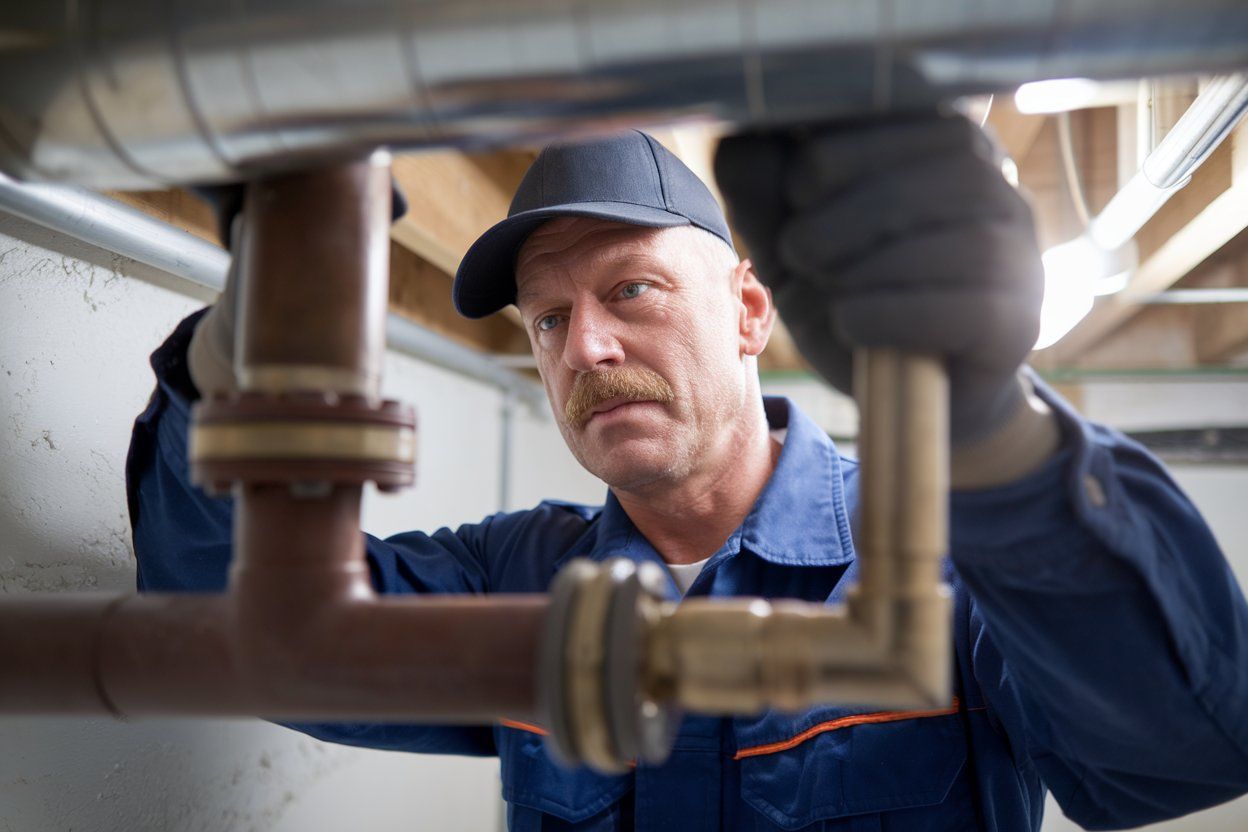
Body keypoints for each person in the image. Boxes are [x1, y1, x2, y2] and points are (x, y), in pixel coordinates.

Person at [127, 115, 1248, 831]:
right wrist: (234, 355)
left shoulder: (942, 552)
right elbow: (251, 636)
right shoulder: (519, 578)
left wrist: (986, 423)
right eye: (550, 318)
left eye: (632, 291)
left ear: (749, 310)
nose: (586, 350)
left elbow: (1179, 759)